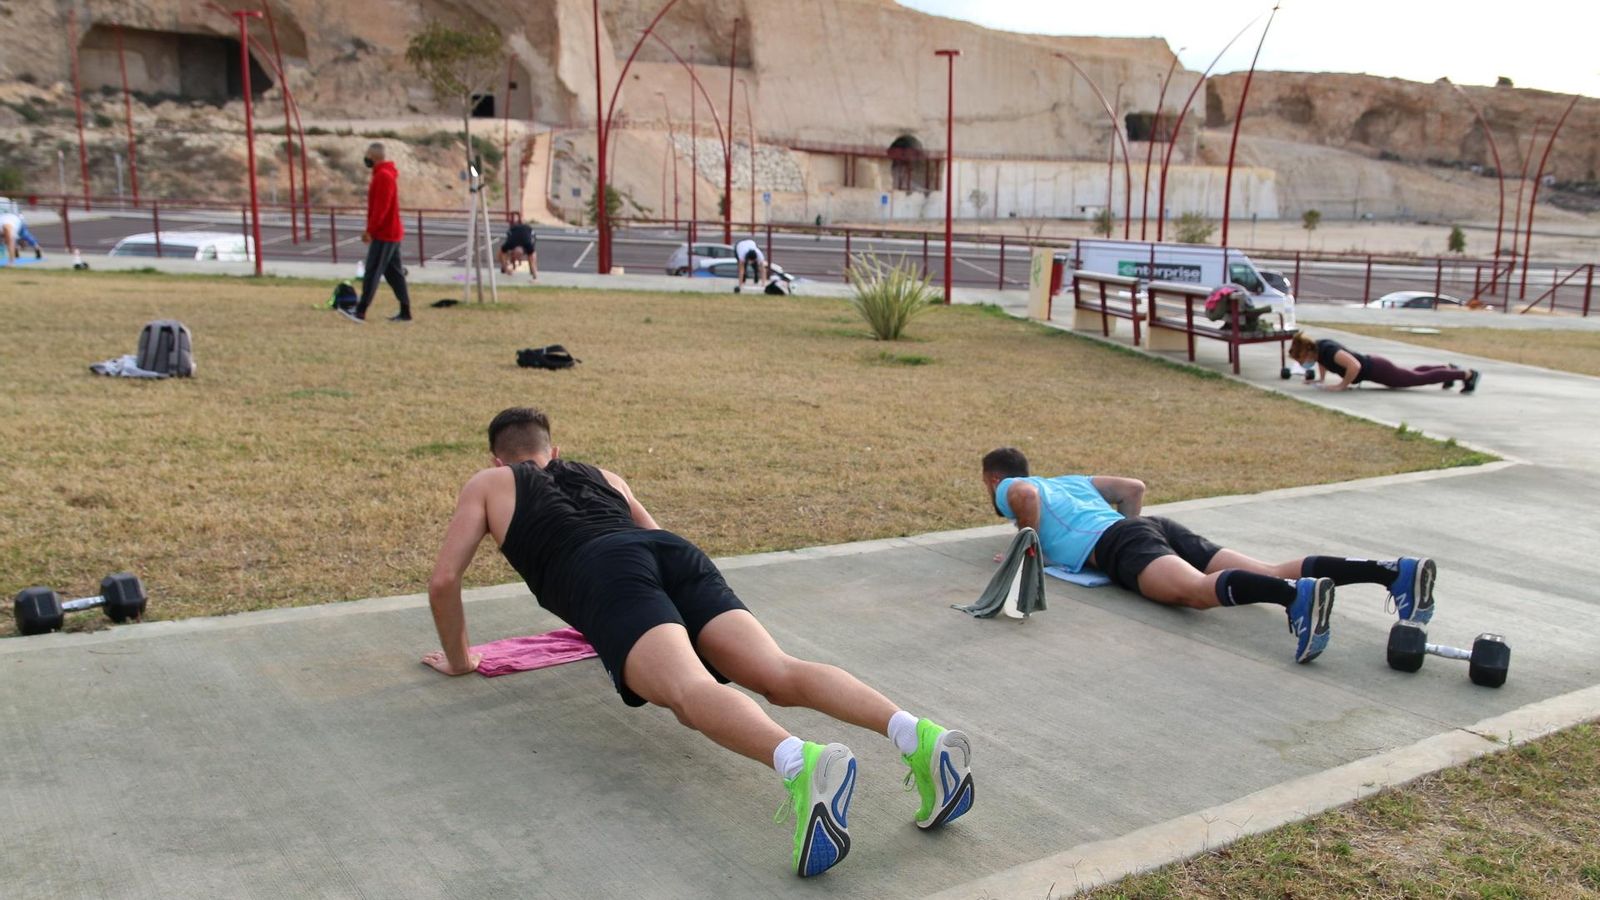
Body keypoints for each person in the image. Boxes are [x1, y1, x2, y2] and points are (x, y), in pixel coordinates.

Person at [422, 408, 975, 877]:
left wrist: (460, 660)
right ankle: (918, 735)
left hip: (606, 576)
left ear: (499, 459)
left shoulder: (488, 482)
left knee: (687, 692)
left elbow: (445, 580)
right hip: (671, 554)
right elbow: (652, 534)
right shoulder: (604, 475)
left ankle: (800, 765)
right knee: (777, 671)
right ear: (555, 449)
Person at [980, 447, 1437, 664]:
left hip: (1120, 543)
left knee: (1196, 595)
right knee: (1266, 567)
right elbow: (1132, 489)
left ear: (990, 479)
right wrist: (1144, 534)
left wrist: (1028, 547)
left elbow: (1020, 493)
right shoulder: (1069, 480)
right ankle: (1394, 572)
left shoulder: (1010, 485)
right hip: (1151, 530)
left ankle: (1296, 598)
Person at [342, 142, 412, 323]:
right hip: (389, 232)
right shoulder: (382, 175)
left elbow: (381, 208)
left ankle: (361, 311)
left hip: (385, 234)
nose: (366, 158)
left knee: (372, 271)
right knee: (394, 274)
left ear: (374, 156)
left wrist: (370, 230)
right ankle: (405, 312)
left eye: (367, 155)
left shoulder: (383, 177)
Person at [1289, 333, 1479, 394]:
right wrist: (1320, 380)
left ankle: (1467, 375)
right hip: (1377, 366)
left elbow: (1354, 366)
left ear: (1306, 351)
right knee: (1412, 373)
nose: (1302, 363)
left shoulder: (1328, 349)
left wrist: (1342, 386)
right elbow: (1323, 364)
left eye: (1300, 359)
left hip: (1378, 370)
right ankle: (1449, 371)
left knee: (1416, 379)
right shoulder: (1319, 351)